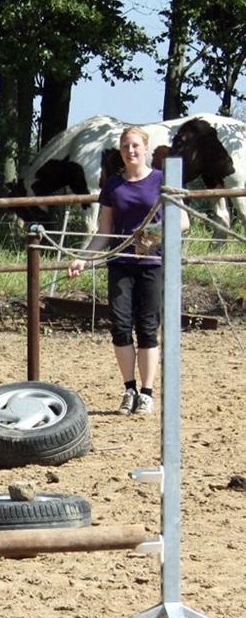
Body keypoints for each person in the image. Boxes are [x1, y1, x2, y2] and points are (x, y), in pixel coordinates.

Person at [66, 125, 189, 415]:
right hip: (120, 264)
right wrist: (83, 258)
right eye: (125, 146)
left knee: (147, 328)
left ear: (145, 149)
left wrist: (149, 237)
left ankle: (146, 392)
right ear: (120, 151)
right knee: (120, 327)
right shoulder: (113, 186)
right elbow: (104, 230)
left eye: (135, 146)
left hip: (152, 264)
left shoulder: (162, 180)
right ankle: (129, 388)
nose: (130, 151)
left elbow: (183, 222)